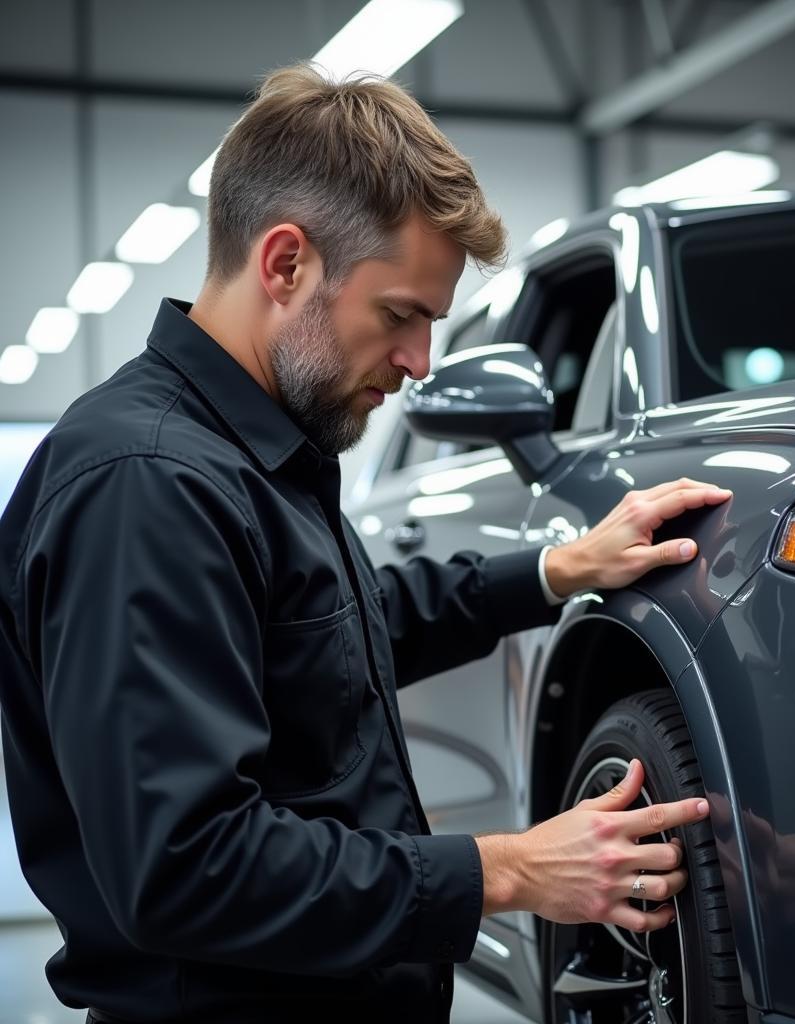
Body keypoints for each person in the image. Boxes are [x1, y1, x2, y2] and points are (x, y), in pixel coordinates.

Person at [0, 64, 732, 1023]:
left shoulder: (255, 456)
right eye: (402, 315)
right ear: (286, 263)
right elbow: (185, 867)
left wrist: (561, 569)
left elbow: (346, 628)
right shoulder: (147, 483)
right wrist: (504, 870)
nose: (421, 363)